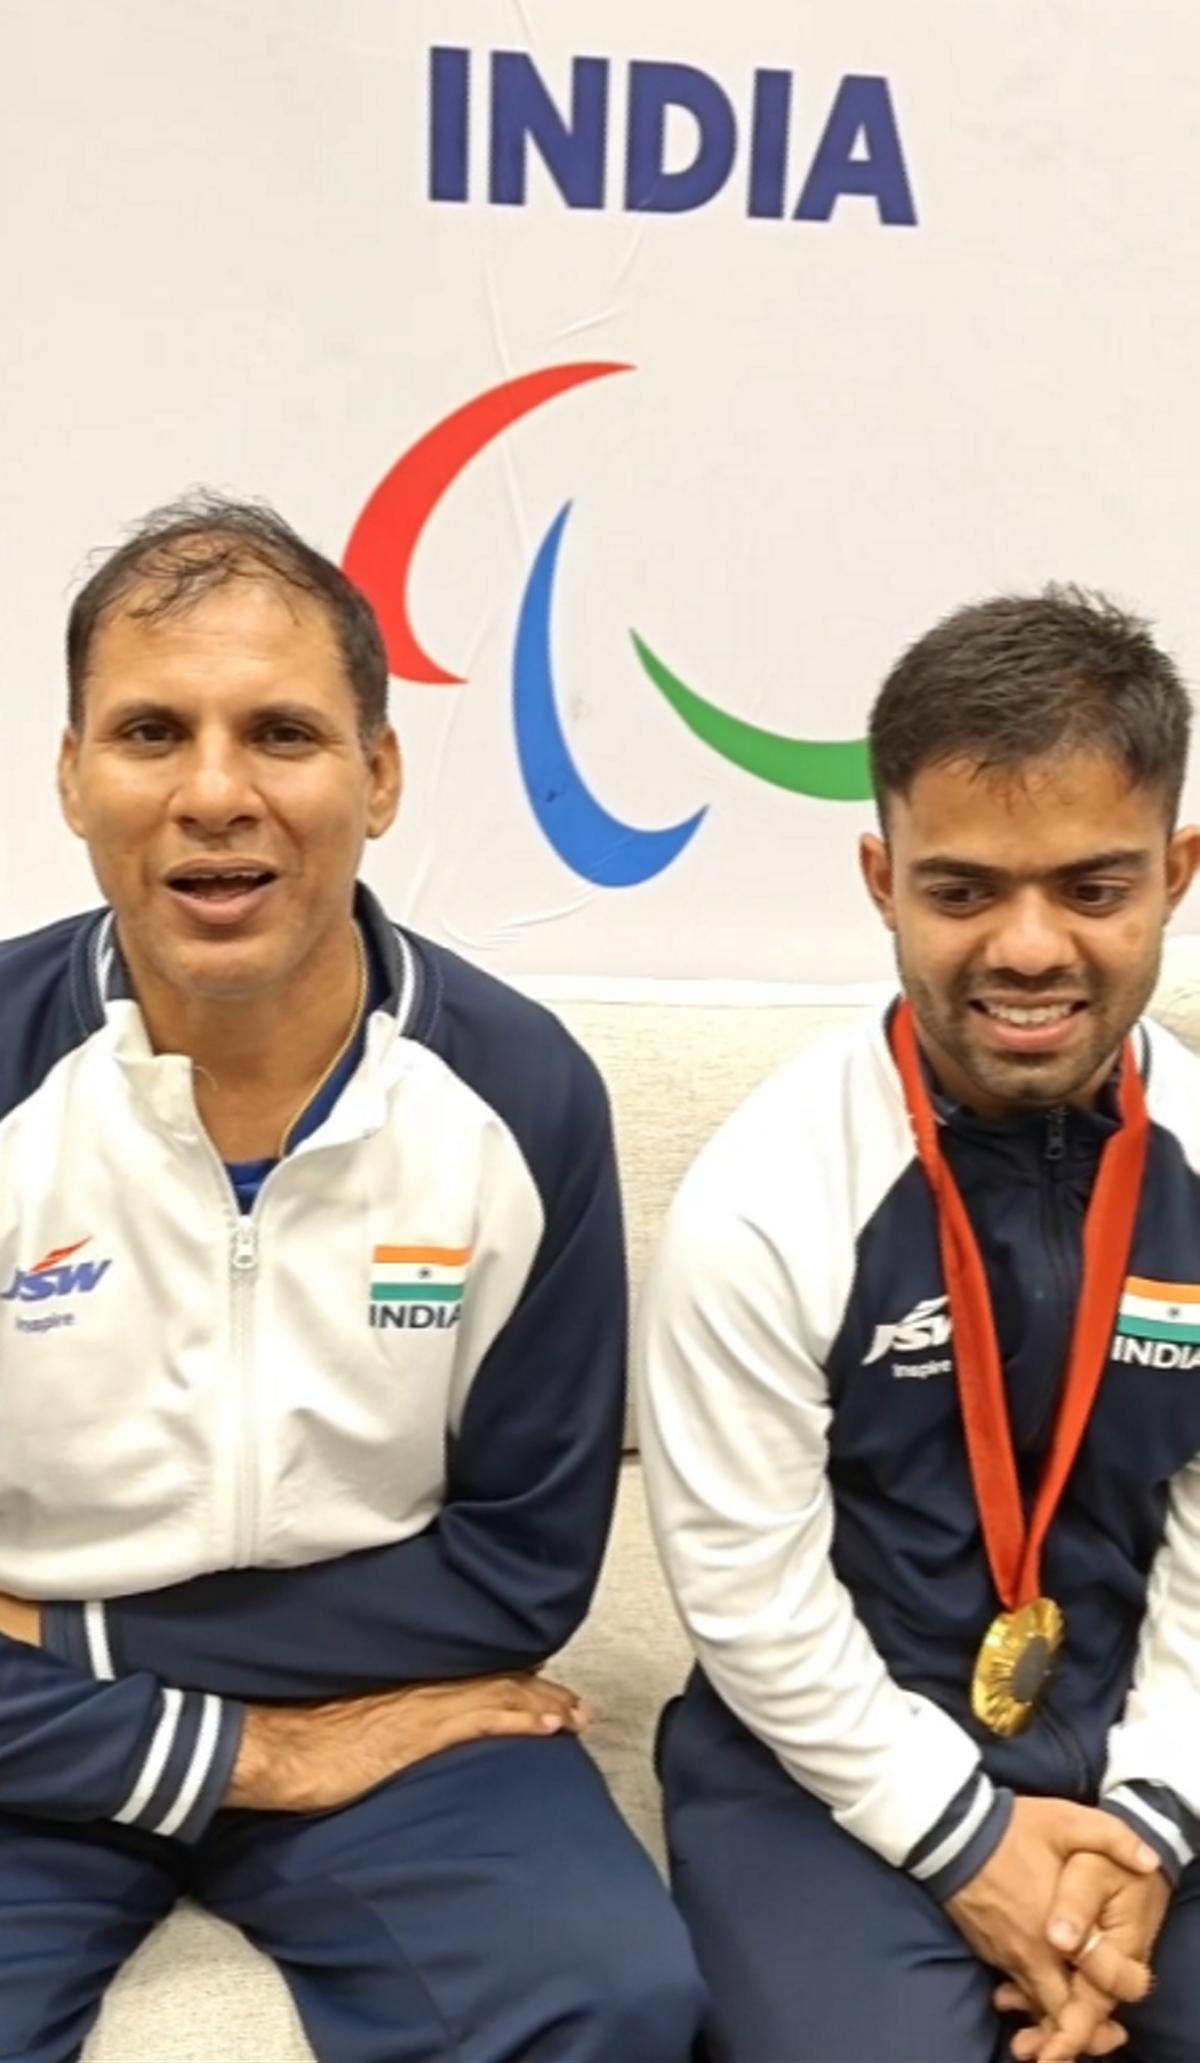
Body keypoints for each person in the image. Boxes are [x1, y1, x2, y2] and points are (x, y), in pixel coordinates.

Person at [0, 494, 704, 2063]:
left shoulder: (524, 1095)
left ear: (379, 776)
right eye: (149, 731)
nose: (214, 793)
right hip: (28, 1733)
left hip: (408, 1728)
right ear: (68, 776)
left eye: (285, 734)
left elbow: (522, 1573)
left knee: (607, 1998)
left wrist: (68, 1633)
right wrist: (249, 1749)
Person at [636, 588, 1200, 2063]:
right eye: (962, 892)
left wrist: (1138, 1844)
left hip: (1152, 1742)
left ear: (1176, 873)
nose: (1027, 949)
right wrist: (971, 1847)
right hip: (820, 1764)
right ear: (882, 880)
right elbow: (753, 1603)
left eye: (1092, 886)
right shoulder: (761, 1199)